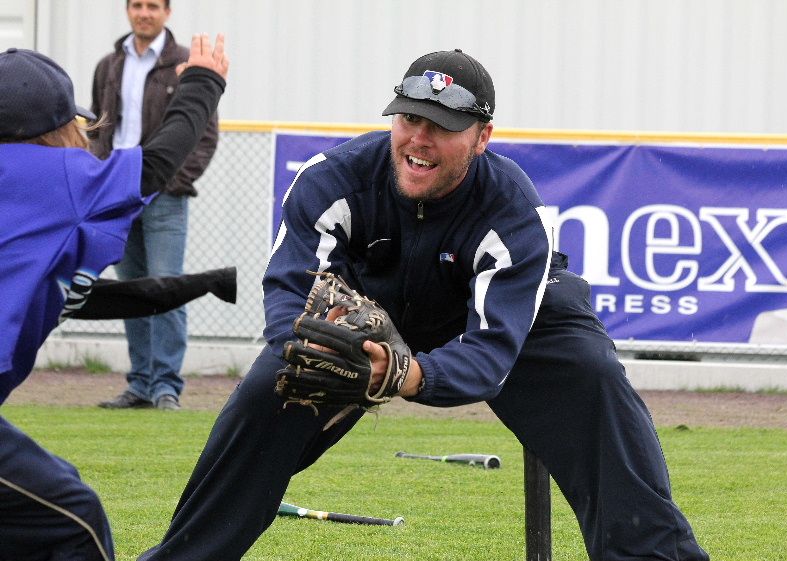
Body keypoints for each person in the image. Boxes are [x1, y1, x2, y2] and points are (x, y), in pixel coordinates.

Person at [139, 49, 709, 561]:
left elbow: (492, 350)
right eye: (410, 118)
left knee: (594, 378)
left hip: (519, 317)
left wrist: (410, 373)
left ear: (482, 137)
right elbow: (290, 286)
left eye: (443, 126)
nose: (420, 139)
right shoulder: (333, 179)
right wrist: (305, 338)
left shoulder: (512, 211)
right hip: (369, 309)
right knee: (272, 390)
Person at [0, 34, 228, 561]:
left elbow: (81, 295)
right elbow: (155, 165)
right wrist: (203, 84)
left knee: (51, 491)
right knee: (75, 521)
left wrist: (210, 280)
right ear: (56, 129)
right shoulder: (56, 177)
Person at [91, 0, 220, 411]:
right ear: (128, 11)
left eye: (152, 6)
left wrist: (174, 180)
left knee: (165, 286)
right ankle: (140, 385)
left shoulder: (185, 62)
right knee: (132, 291)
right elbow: (98, 128)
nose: (143, 13)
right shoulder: (108, 65)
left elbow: (205, 132)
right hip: (117, 193)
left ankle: (166, 386)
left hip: (165, 195)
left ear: (167, 13)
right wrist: (99, 180)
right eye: (137, 5)